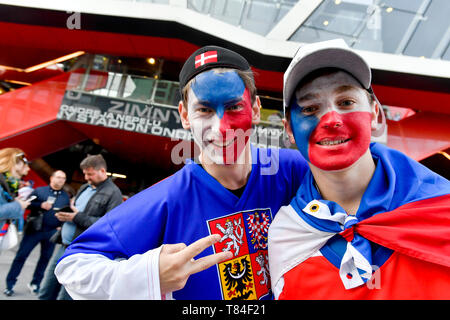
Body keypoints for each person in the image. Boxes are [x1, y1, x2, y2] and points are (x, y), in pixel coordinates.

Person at [55, 45, 308, 300]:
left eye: (233, 107)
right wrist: (150, 275)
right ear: (185, 116)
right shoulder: (168, 197)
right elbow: (73, 266)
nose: (221, 128)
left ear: (254, 110)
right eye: (205, 110)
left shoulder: (294, 169)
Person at [268, 39, 450, 299]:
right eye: (310, 109)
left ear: (375, 114)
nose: (331, 119)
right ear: (290, 131)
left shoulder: (441, 208)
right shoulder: (286, 238)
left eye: (346, 102)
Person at [41, 154, 122, 300]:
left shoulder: (114, 193)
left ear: (102, 171)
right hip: (64, 245)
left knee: (66, 295)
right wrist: (66, 214)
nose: (86, 178)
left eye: (90, 174)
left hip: (82, 251)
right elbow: (78, 210)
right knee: (47, 290)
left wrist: (76, 217)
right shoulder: (85, 187)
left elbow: (109, 226)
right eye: (85, 174)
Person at [4, 170, 69, 297]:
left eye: (63, 178)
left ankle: (35, 284)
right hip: (34, 230)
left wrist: (61, 226)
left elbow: (66, 212)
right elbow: (27, 205)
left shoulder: (65, 196)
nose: (61, 180)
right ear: (51, 178)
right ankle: (10, 284)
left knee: (45, 260)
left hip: (51, 232)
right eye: (58, 177)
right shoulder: (40, 191)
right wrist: (40, 205)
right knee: (21, 257)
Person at [0, 148, 31, 222]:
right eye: (25, 162)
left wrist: (14, 202)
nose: (28, 168)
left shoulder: (9, 185)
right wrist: (18, 205)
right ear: (16, 163)